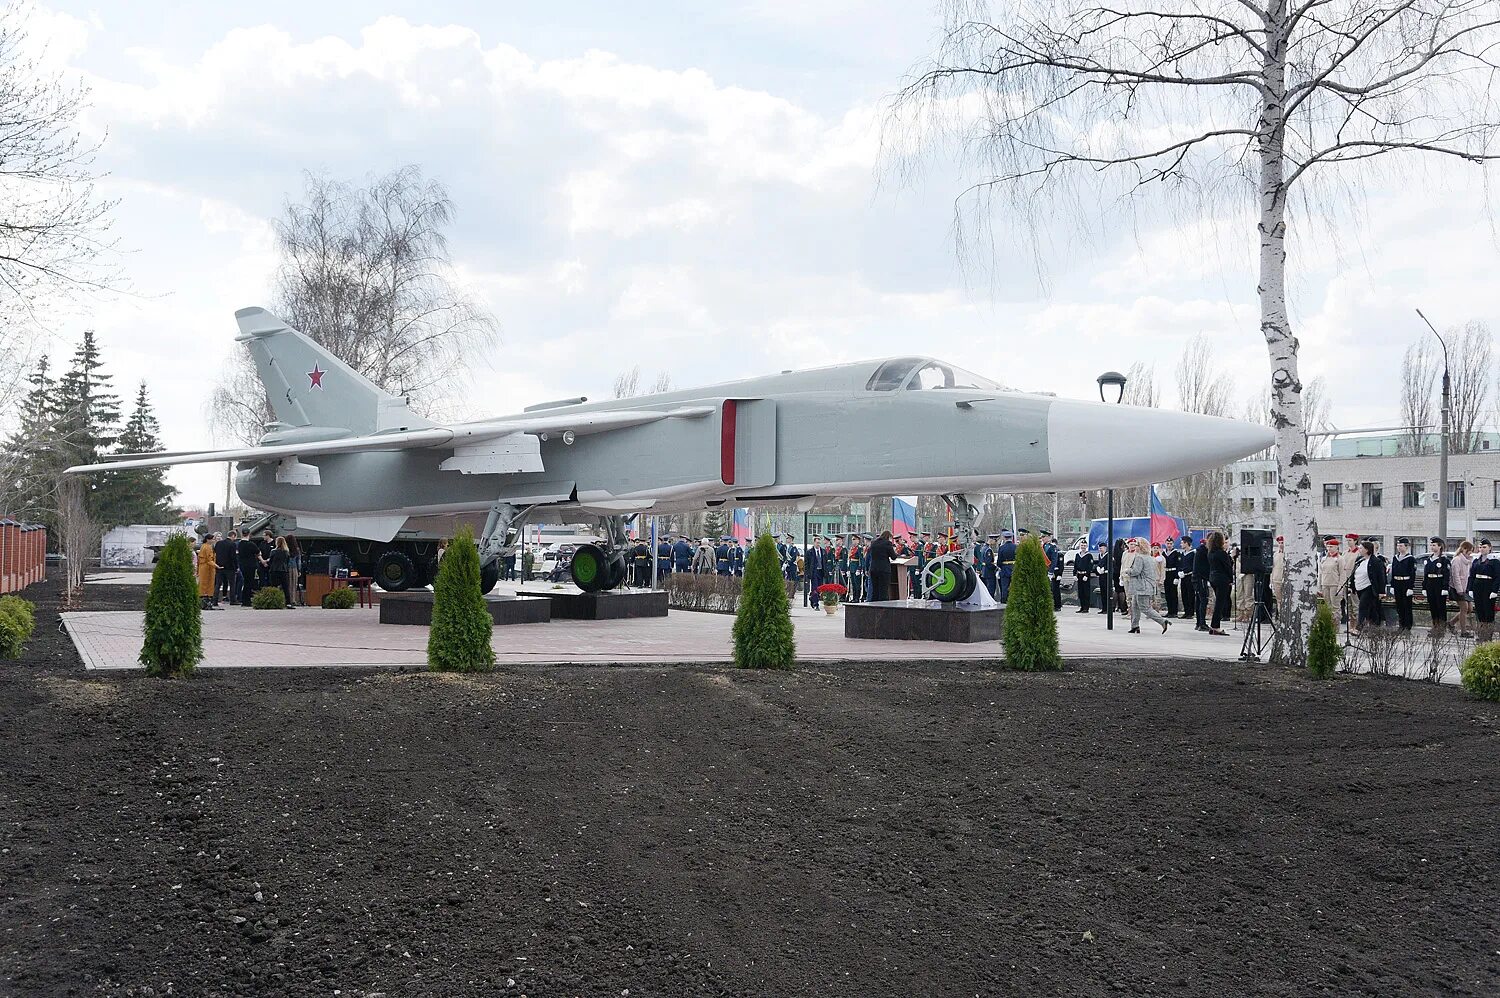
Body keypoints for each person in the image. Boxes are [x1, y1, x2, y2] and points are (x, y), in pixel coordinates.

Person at [1126, 538, 1171, 634]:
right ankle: (1135, 626)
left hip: (1141, 586)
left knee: (1145, 607)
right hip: (1147, 585)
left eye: (1136, 545)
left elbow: (1136, 571)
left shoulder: (1140, 558)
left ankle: (1162, 621)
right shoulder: (1150, 558)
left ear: (1140, 547)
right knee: (1135, 606)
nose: (1135, 547)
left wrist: (1127, 571)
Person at [1350, 539, 1386, 629]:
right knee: (1371, 609)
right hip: (1359, 588)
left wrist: (1382, 591)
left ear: (1367, 550)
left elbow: (1381, 577)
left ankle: (1359, 628)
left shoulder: (1376, 561)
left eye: (1361, 548)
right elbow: (1354, 573)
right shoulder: (1359, 560)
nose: (1359, 550)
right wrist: (1352, 587)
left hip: (1369, 588)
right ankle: (1375, 626)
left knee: (1362, 607)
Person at [1206, 530, 1233, 635]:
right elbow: (1228, 567)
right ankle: (1215, 626)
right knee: (1220, 604)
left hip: (1213, 578)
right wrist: (1230, 579)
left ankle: (1214, 625)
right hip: (1222, 579)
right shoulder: (1222, 553)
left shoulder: (1210, 553)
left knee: (1218, 602)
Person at [1423, 537, 1452, 633]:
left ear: (1440, 546)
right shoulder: (1429, 559)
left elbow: (1446, 575)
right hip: (1430, 584)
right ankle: (1435, 625)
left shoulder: (1444, 560)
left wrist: (1445, 587)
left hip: (1439, 583)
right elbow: (1425, 574)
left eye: (1434, 545)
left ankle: (1441, 627)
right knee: (1433, 606)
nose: (1432, 547)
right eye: (1431, 545)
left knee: (1440, 606)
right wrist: (1424, 587)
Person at [1470, 539, 1496, 642]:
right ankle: (1481, 634)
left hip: (1488, 587)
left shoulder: (1494, 561)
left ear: (1489, 548)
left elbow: (1498, 577)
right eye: (1480, 547)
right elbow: (1471, 576)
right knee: (1479, 611)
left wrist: (1494, 590)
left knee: (1488, 611)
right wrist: (1470, 588)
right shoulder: (1476, 560)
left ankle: (1488, 635)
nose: (1482, 549)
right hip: (1478, 586)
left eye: (1484, 547)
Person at [1389, 537, 1417, 631]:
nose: (1399, 547)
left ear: (1406, 547)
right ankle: (1401, 625)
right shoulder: (1395, 558)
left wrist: (1410, 587)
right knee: (1399, 605)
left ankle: (1407, 625)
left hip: (1406, 583)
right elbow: (1393, 572)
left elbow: (1412, 574)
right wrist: (1392, 585)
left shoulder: (1410, 559)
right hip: (1397, 583)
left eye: (1401, 546)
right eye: (1398, 545)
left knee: (1406, 605)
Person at [1451, 540, 1475, 638]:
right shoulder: (1457, 560)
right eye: (1470, 550)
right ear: (1464, 549)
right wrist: (1459, 589)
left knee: (1470, 608)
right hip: (1457, 588)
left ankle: (1451, 623)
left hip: (1465, 588)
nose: (1471, 553)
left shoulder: (1467, 561)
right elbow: (1455, 576)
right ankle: (1463, 631)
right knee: (1464, 608)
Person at [1317, 537, 1344, 621]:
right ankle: (1329, 625)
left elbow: (1342, 574)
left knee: (1335, 607)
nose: (1329, 548)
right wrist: (1319, 587)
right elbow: (1320, 573)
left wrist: (1340, 587)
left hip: (1334, 585)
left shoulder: (1340, 559)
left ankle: (1336, 627)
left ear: (1337, 547)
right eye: (1328, 546)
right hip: (1325, 584)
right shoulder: (1324, 559)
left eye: (1331, 547)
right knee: (1327, 606)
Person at [868, 529, 896, 603]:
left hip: (873, 569)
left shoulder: (873, 543)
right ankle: (883, 606)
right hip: (884, 569)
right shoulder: (887, 543)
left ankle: (874, 606)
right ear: (888, 537)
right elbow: (893, 556)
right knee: (883, 590)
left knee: (875, 590)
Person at [236, 530, 261, 606]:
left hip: (242, 565)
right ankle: (246, 600)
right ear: (249, 534)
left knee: (245, 582)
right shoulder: (251, 544)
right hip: (251, 565)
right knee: (249, 583)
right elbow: (258, 552)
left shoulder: (239, 544)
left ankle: (244, 599)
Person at [213, 530, 238, 605]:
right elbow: (233, 557)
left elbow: (215, 553)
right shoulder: (232, 544)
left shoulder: (218, 543)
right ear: (233, 536)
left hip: (219, 566)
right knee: (232, 584)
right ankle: (232, 600)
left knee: (218, 584)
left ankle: (215, 600)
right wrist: (236, 567)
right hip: (230, 567)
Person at [268, 536, 293, 607]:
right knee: (285, 587)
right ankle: (288, 602)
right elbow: (287, 562)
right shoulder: (286, 552)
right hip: (283, 570)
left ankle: (274, 601)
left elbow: (271, 561)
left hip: (274, 570)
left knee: (274, 587)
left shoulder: (273, 551)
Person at [196, 533, 220, 610]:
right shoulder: (208, 547)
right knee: (208, 584)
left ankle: (203, 602)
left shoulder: (203, 546)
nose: (213, 540)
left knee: (203, 584)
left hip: (203, 568)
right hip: (208, 569)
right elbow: (209, 560)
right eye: (212, 539)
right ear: (208, 539)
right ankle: (206, 602)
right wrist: (216, 566)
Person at [1042, 531, 1062, 611]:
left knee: (1052, 589)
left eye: (1044, 537)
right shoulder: (1042, 547)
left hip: (1049, 570)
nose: (1043, 539)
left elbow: (1054, 561)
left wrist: (1050, 572)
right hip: (1043, 570)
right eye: (1042, 537)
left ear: (1049, 538)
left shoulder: (1052, 547)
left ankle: (1054, 605)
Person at [1073, 540, 1095, 612]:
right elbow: (1075, 565)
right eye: (1082, 545)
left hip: (1085, 575)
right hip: (1079, 575)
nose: (1083, 547)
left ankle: (1086, 608)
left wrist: (1087, 575)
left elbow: (1090, 566)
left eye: (1084, 546)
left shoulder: (1089, 555)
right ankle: (1082, 607)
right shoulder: (1077, 555)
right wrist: (1074, 574)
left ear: (1087, 546)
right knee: (1080, 592)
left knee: (1086, 592)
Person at [1177, 536, 1196, 620]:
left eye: (1182, 543)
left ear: (1186, 543)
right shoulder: (1182, 554)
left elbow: (1193, 566)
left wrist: (1185, 572)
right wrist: (1180, 571)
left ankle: (1190, 612)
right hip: (1183, 576)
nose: (1181, 544)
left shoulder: (1193, 553)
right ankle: (1186, 611)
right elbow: (1180, 564)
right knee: (1184, 594)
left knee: (1190, 594)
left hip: (1190, 576)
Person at [1163, 537, 1181, 618]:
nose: (1169, 545)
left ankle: (1174, 611)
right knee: (1167, 594)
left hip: (1173, 574)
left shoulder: (1176, 553)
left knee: (1173, 594)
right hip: (1166, 574)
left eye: (1170, 544)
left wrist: (1177, 577)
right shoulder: (1163, 553)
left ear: (1173, 544)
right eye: (1167, 543)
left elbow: (1178, 565)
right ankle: (1169, 611)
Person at [285, 534, 302, 606]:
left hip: (287, 568)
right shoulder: (297, 549)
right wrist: (299, 570)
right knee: (294, 584)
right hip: (294, 568)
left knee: (287, 584)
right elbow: (299, 561)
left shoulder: (285, 549)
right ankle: (293, 600)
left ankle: (287, 600)